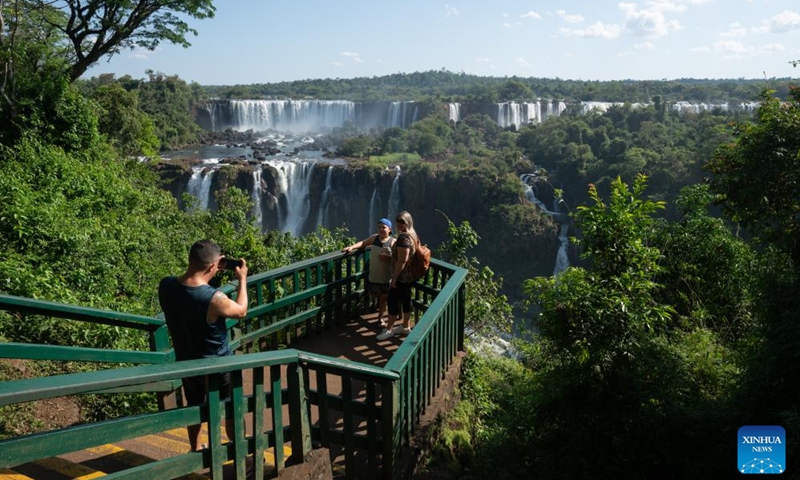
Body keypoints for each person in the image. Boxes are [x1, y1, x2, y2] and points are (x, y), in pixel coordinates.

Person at [158, 239, 249, 452]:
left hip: (188, 364)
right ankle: (241, 454)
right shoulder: (214, 298)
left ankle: (196, 449)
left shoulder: (166, 285)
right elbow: (241, 310)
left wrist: (216, 264)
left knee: (195, 406)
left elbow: (188, 294)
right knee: (231, 408)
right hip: (217, 366)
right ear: (211, 266)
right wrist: (242, 279)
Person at [341, 218, 395, 325]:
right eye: (379, 227)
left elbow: (399, 257)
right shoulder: (375, 238)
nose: (381, 229)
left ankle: (380, 318)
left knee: (384, 298)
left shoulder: (393, 242)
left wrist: (388, 257)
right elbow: (363, 243)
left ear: (389, 229)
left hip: (386, 276)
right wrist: (352, 247)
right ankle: (379, 312)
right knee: (375, 295)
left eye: (383, 227)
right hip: (374, 276)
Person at [377, 211, 419, 341]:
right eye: (398, 221)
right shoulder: (413, 235)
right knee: (406, 300)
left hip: (401, 276)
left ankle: (389, 329)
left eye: (402, 221)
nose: (399, 224)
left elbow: (402, 260)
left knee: (393, 301)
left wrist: (394, 278)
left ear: (408, 222)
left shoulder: (403, 238)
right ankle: (405, 327)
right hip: (409, 276)